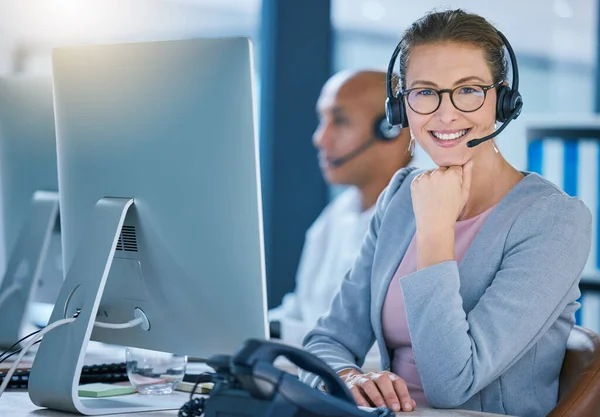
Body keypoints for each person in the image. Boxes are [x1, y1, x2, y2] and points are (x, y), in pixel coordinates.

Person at [300, 9, 592, 417]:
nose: (445, 113)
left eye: (469, 90)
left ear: (503, 100)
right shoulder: (401, 196)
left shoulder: (553, 220)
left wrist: (435, 231)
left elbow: (452, 384)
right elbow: (325, 341)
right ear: (402, 107)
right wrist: (348, 376)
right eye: (424, 92)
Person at [268, 70, 412, 347]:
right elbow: (300, 309)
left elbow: (385, 351)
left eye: (340, 120)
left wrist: (282, 334)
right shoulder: (338, 214)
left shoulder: (422, 221)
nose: (320, 138)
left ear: (390, 129)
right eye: (323, 120)